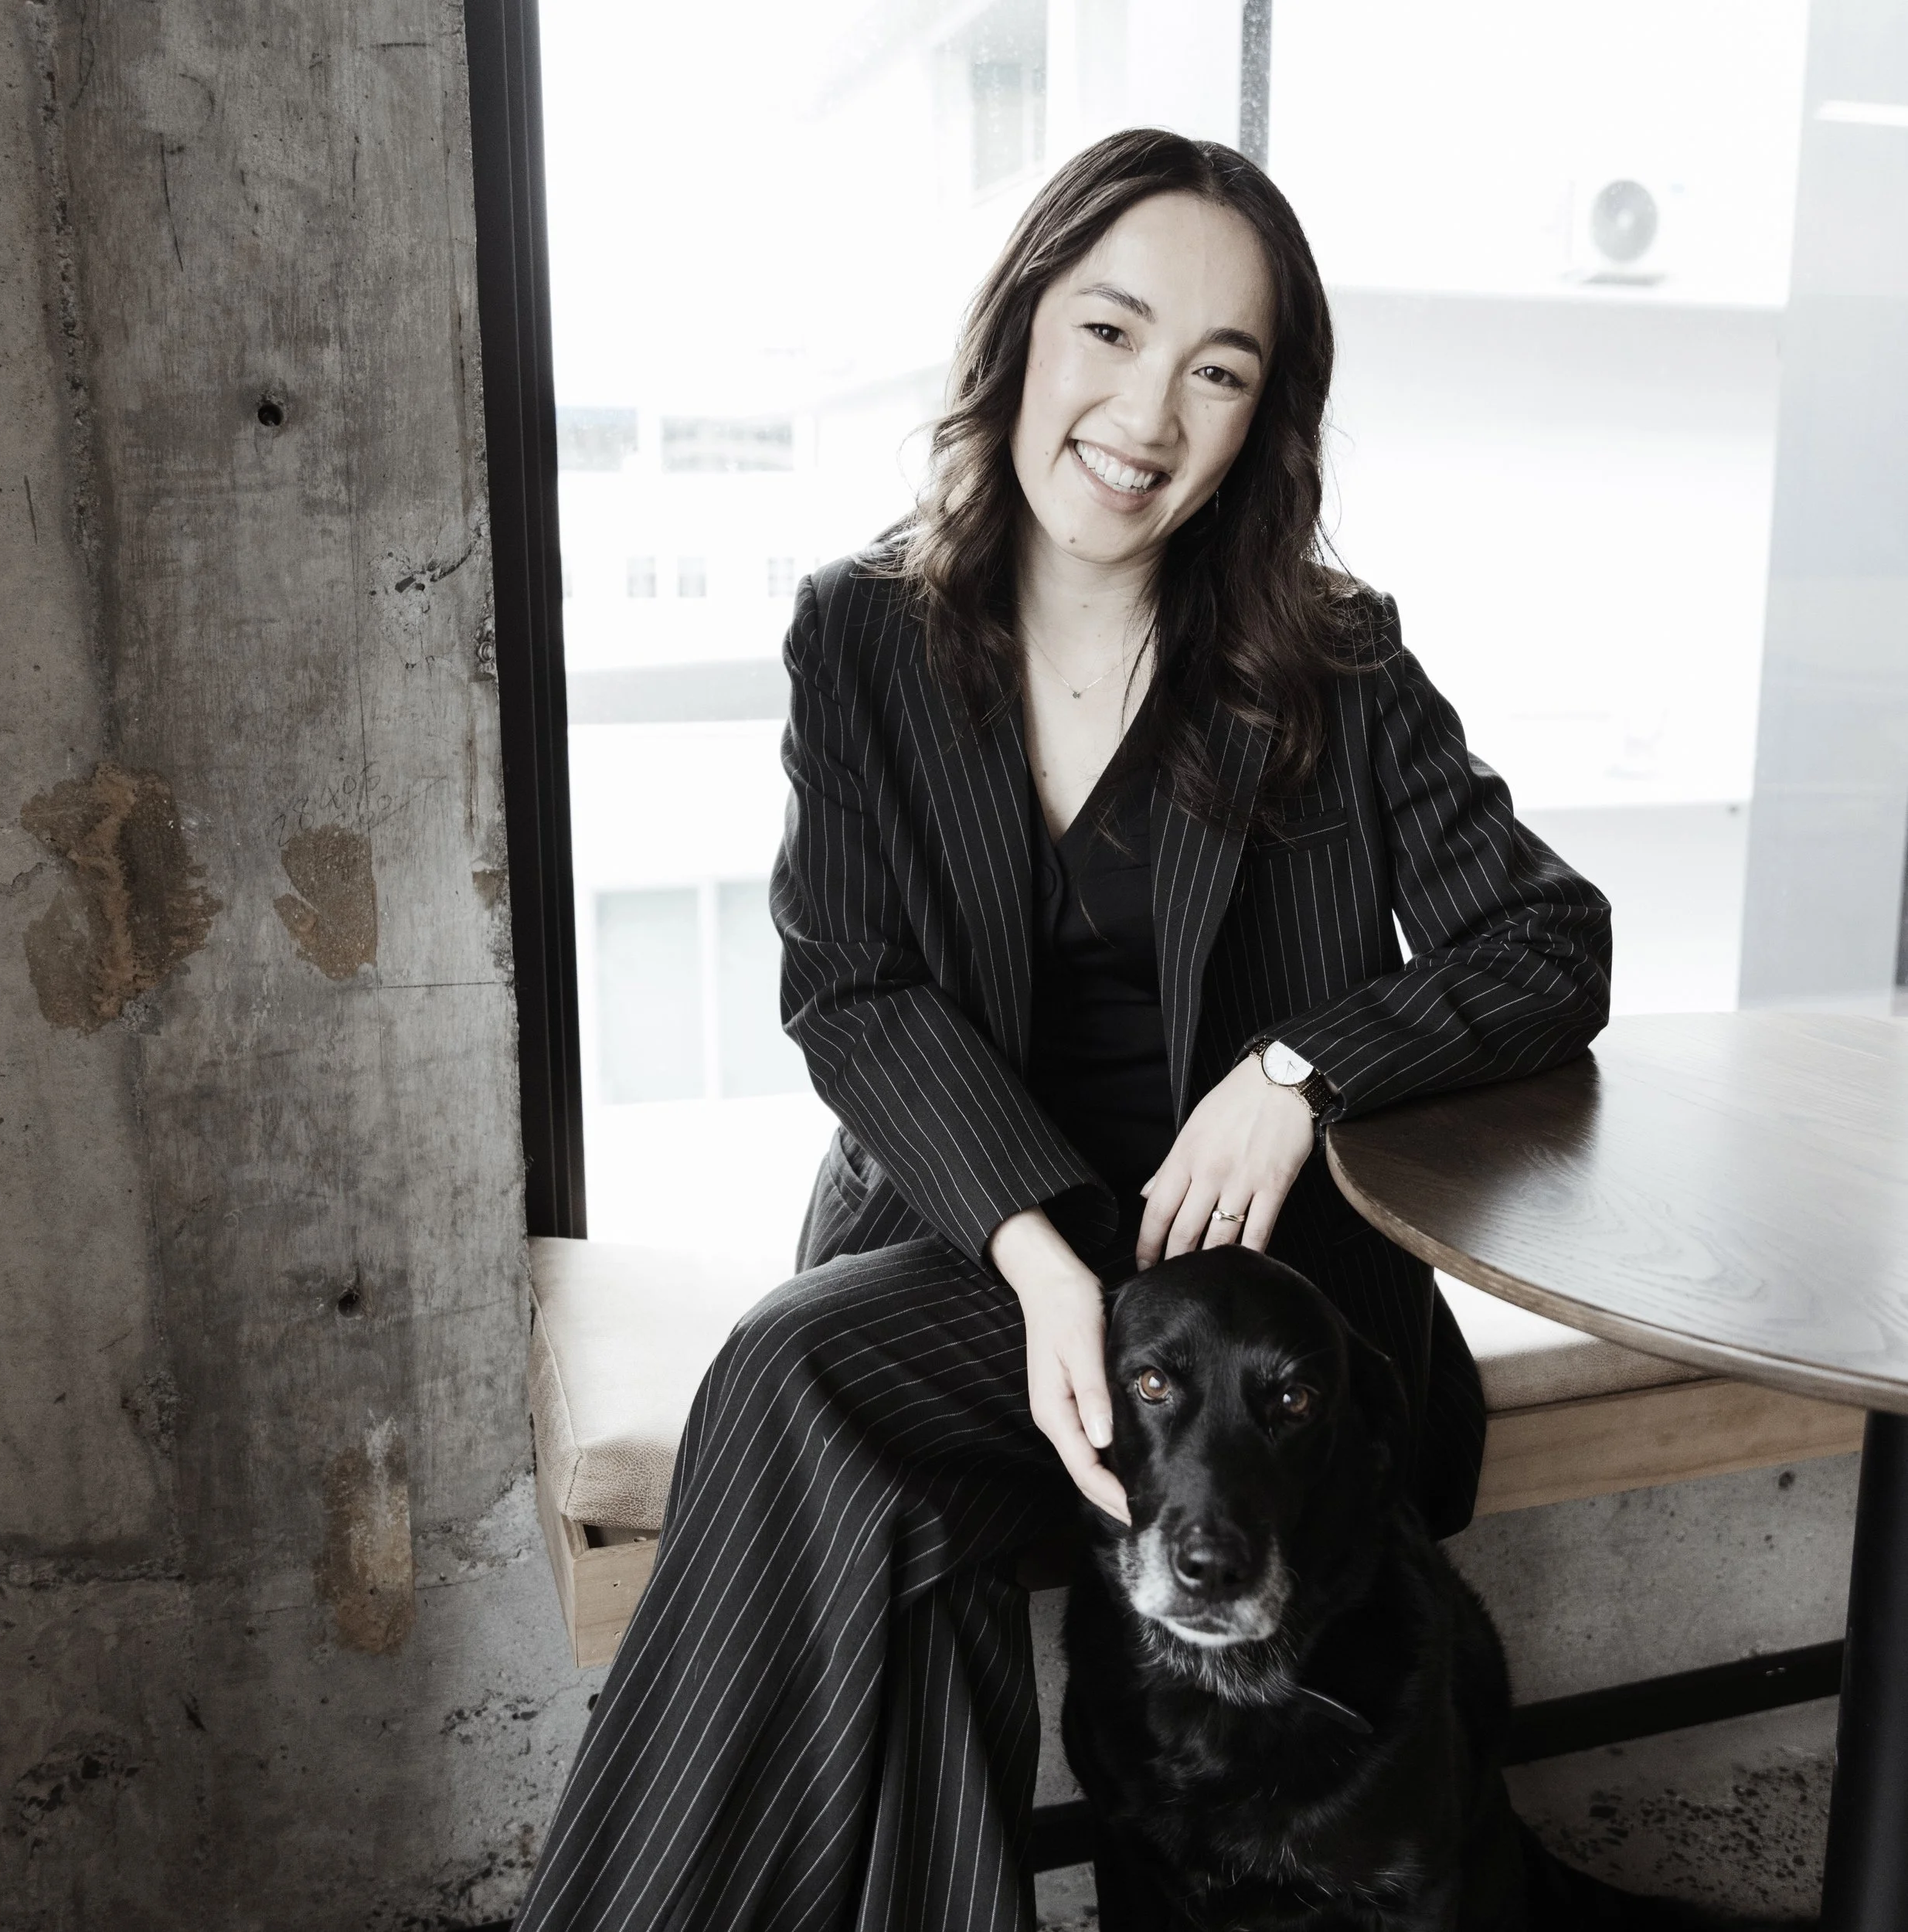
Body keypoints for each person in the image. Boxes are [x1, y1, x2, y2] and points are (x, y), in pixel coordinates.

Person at [515, 128, 1611, 1932]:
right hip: (973, 1241)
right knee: (830, 1395)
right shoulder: (861, 638)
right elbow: (848, 980)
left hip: (1243, 1279)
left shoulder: (1327, 664)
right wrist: (1031, 1259)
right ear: (1022, 329)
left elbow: (1547, 939)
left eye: (1218, 369)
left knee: (837, 1434)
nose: (1144, 412)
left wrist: (1293, 1071)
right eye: (1108, 332)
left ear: (1263, 418)